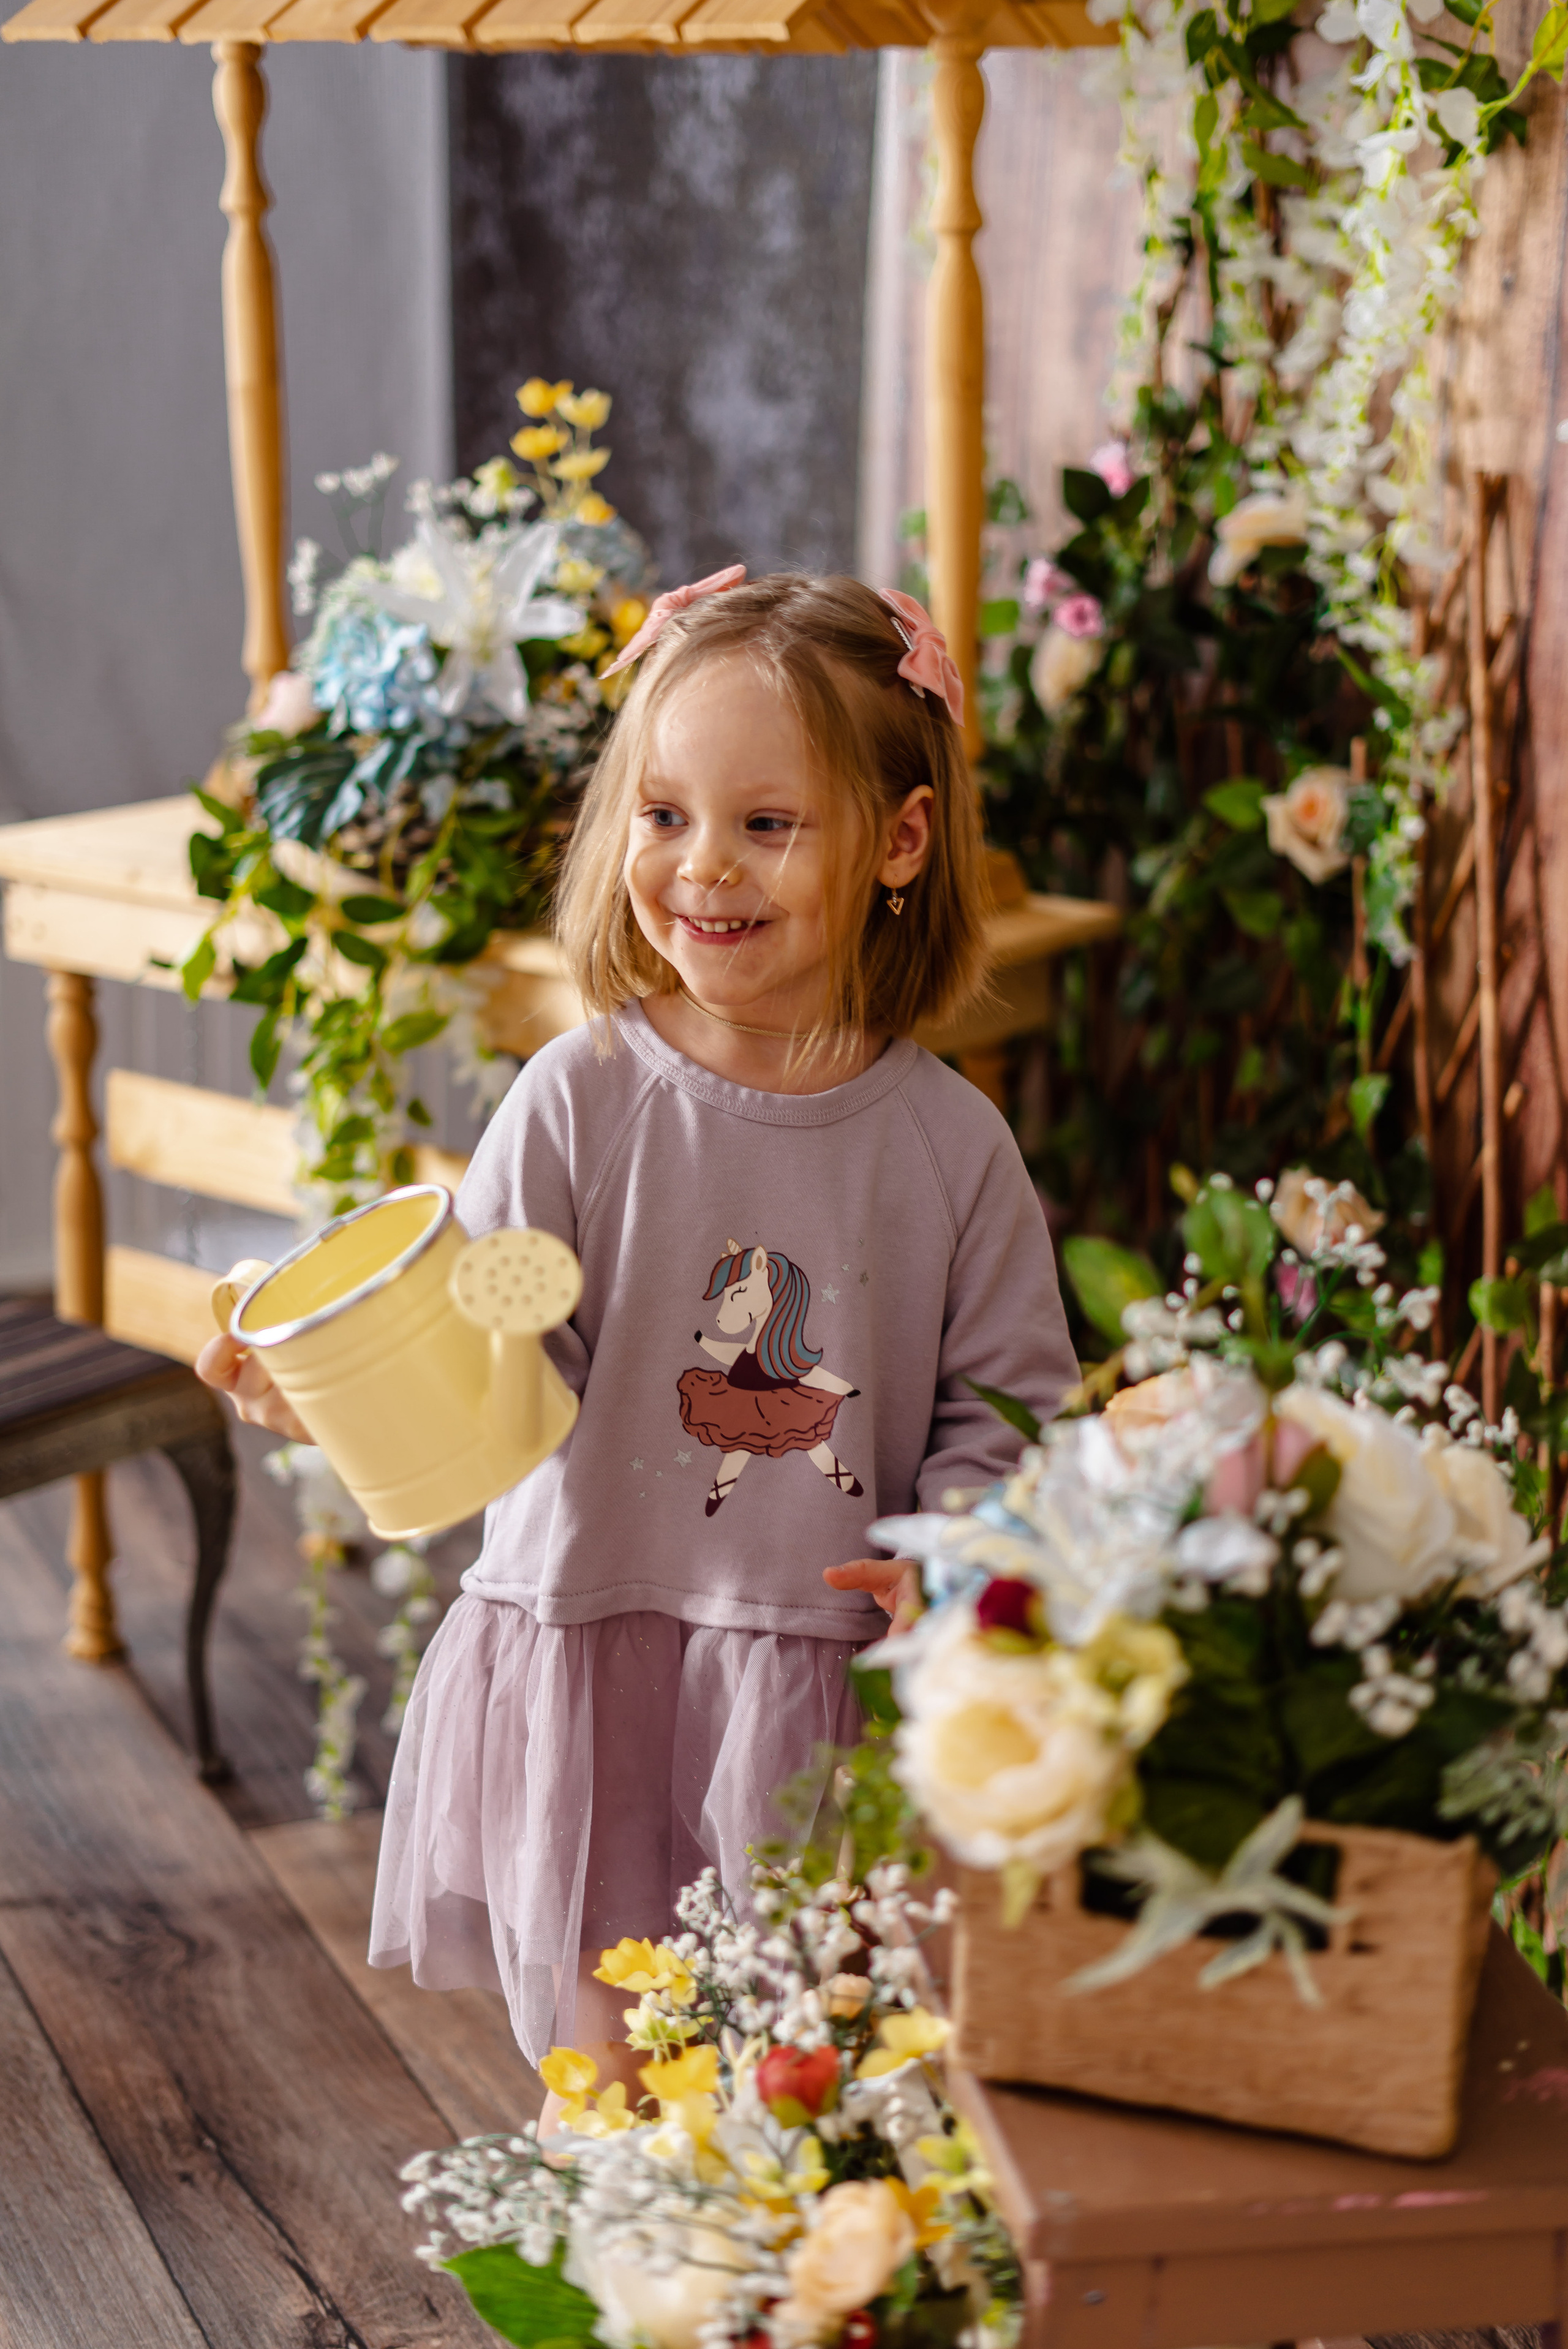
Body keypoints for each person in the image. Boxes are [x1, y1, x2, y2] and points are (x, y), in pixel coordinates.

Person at [196, 568, 1077, 2125]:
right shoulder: (577, 1099)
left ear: (899, 839)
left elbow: (1006, 1402)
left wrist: (955, 1549)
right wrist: (331, 1389)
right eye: (661, 814)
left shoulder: (950, 1146)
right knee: (607, 2096)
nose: (701, 869)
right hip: (593, 1652)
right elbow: (495, 1364)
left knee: (813, 2093)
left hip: (820, 1687)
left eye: (766, 822)